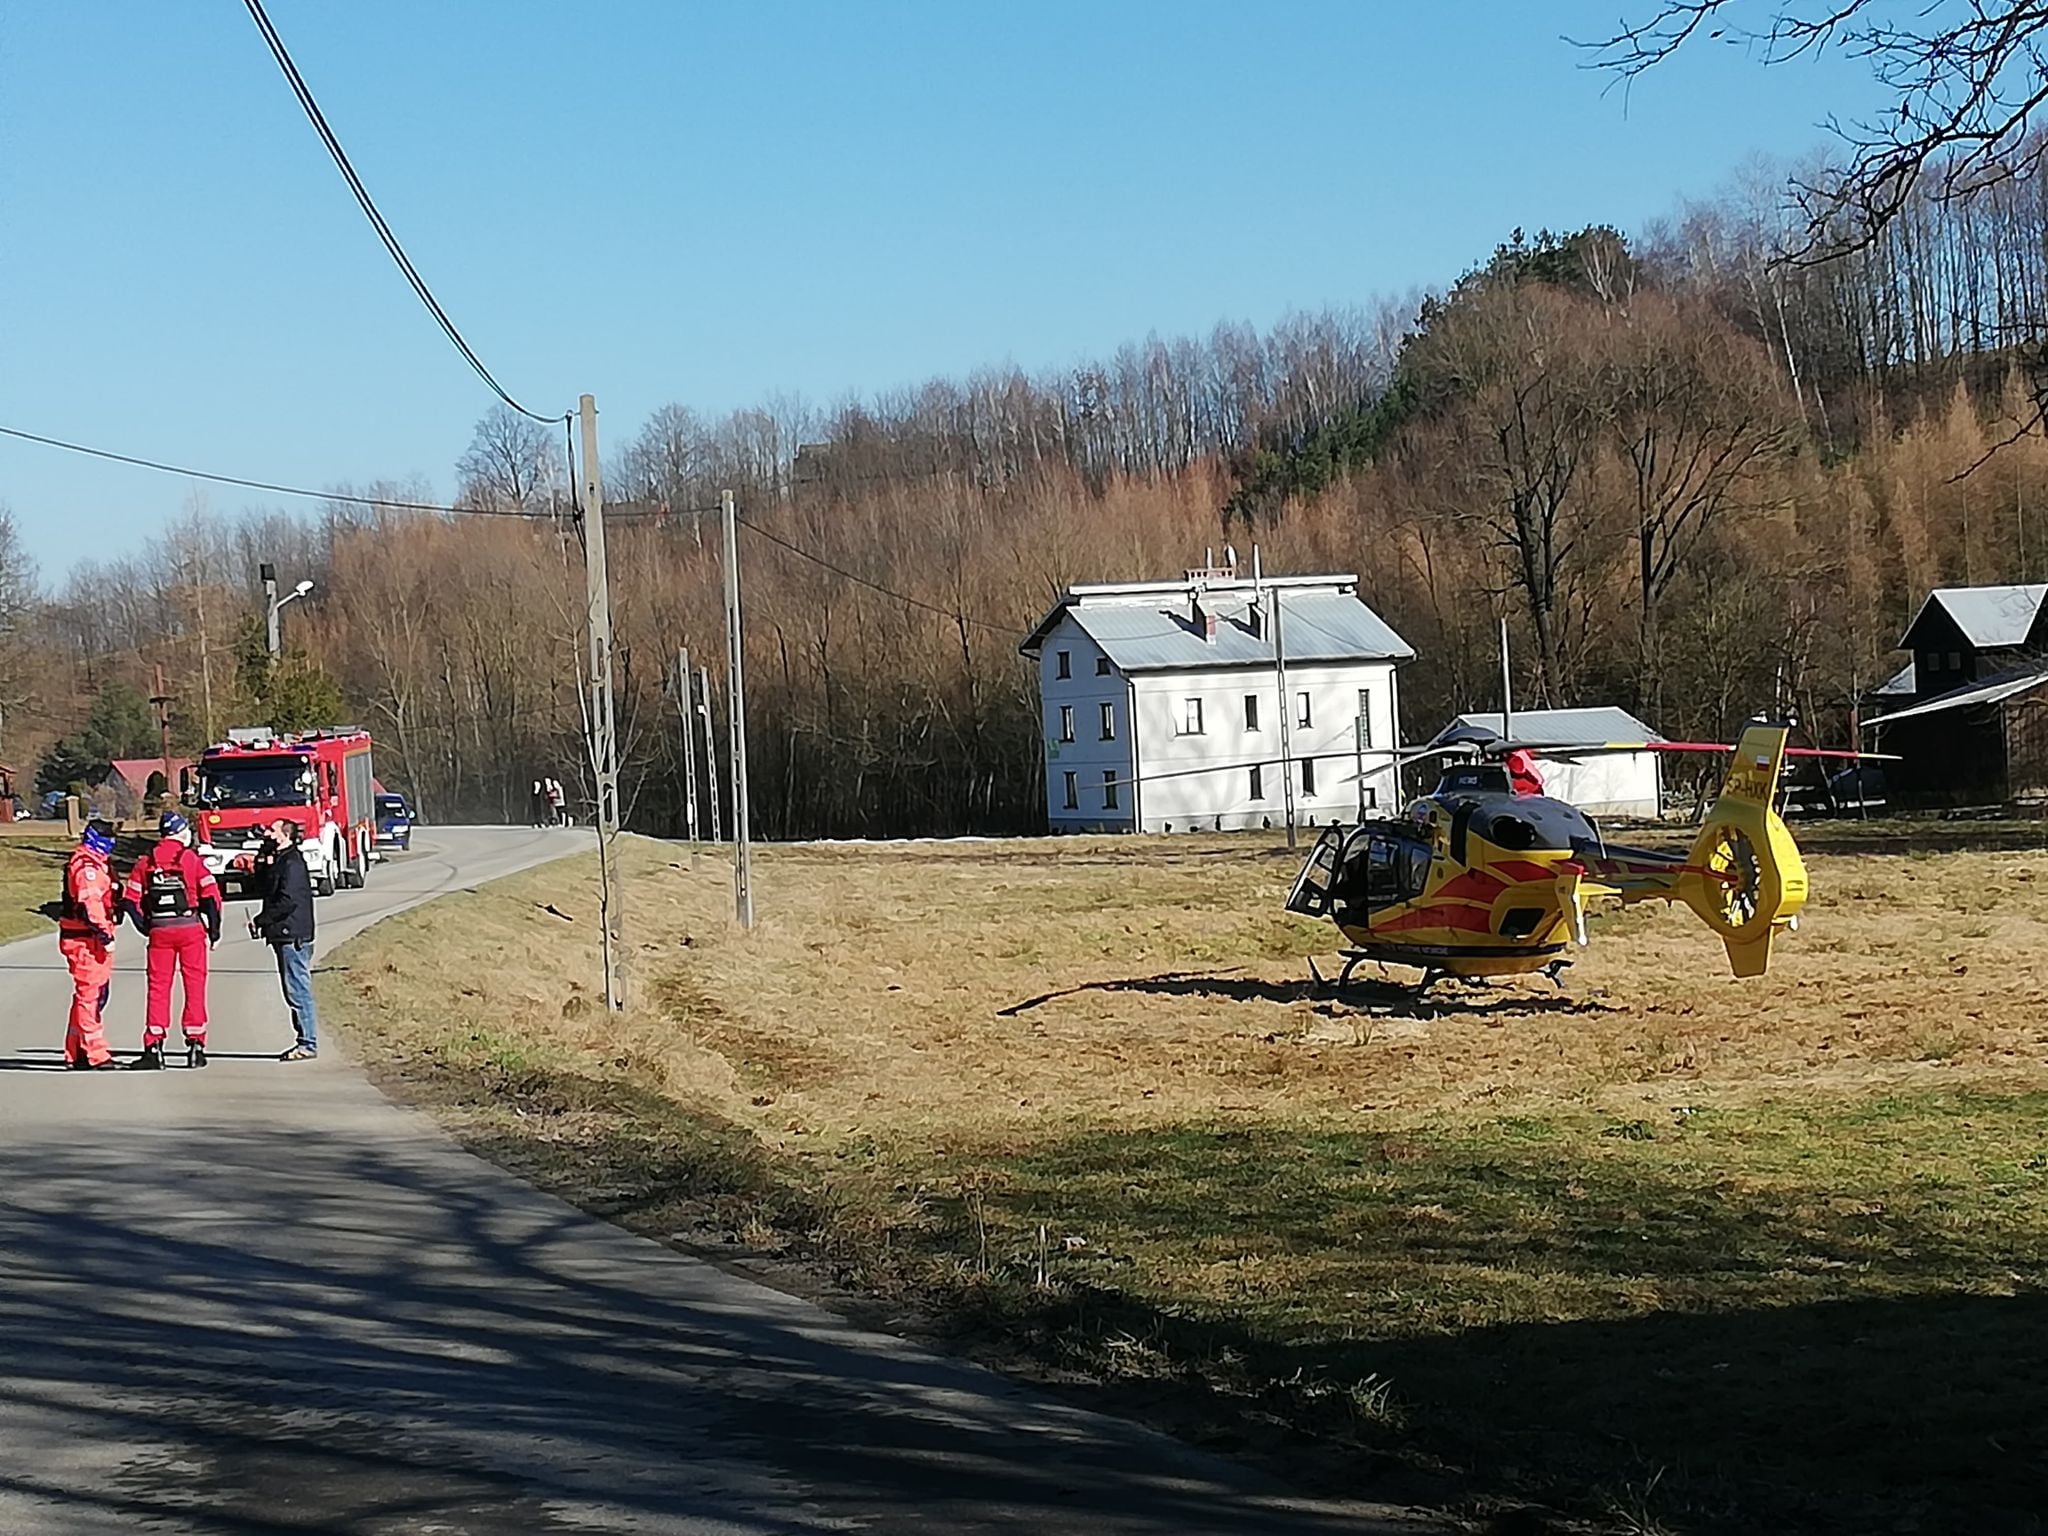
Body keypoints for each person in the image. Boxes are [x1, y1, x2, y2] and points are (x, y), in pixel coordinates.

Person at [122, 810, 221, 1070]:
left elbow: (130, 900)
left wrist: (146, 926)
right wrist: (214, 931)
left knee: (158, 987)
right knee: (195, 985)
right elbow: (211, 897)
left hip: (160, 930)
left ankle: (154, 1047)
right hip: (190, 928)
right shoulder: (191, 859)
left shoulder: (146, 862)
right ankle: (196, 1045)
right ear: (181, 832)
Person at [250, 817, 319, 1061]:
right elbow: (263, 886)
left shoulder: (292, 863)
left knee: (297, 988)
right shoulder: (279, 860)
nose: (267, 833)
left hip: (294, 934)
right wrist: (261, 860)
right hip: (284, 933)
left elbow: (287, 901)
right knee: (292, 988)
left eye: (272, 829)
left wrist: (262, 920)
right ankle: (304, 1040)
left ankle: (308, 1043)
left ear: (285, 835)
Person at [57, 819, 123, 1070]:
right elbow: (90, 904)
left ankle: (76, 1051)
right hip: (86, 940)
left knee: (91, 996)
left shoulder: (95, 863)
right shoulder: (87, 868)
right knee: (91, 997)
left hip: (88, 938)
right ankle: (96, 1054)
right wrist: (105, 935)